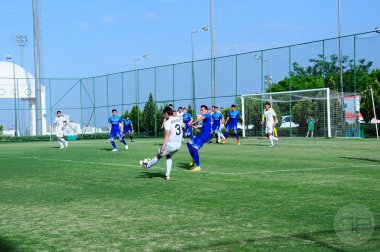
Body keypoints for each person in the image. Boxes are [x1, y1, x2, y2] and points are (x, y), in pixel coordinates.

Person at [140, 106, 183, 180]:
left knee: (158, 155)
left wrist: (163, 146)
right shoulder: (177, 119)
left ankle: (147, 165)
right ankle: (167, 175)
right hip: (179, 144)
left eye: (164, 114)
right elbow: (183, 127)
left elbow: (167, 135)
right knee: (168, 156)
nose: (164, 115)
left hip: (171, 145)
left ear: (166, 113)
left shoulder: (167, 122)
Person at [186, 105, 212, 171]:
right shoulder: (205, 119)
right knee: (189, 143)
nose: (201, 111)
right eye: (200, 110)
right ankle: (194, 159)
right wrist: (194, 126)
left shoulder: (207, 115)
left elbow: (201, 118)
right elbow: (202, 128)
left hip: (204, 136)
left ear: (206, 110)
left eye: (202, 110)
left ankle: (198, 167)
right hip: (201, 134)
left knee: (195, 149)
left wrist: (193, 122)